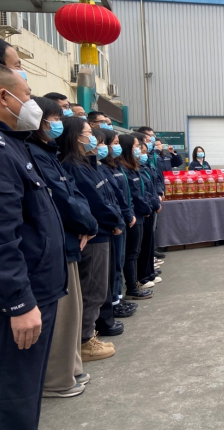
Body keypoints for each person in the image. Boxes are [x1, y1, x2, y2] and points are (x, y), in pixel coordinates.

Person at [0, 67, 67, 429]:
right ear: (4, 97)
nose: (32, 104)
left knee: (27, 390)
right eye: (26, 95)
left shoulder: (15, 144)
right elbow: (3, 234)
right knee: (16, 395)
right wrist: (19, 301)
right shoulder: (3, 152)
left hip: (38, 286)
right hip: (23, 296)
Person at [26, 98, 99, 399]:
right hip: (57, 243)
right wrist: (89, 224)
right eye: (55, 118)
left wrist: (88, 223)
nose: (58, 123)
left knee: (73, 311)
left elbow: (75, 195)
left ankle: (71, 368)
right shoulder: (34, 154)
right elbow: (63, 199)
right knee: (63, 315)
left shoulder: (48, 153)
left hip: (68, 239)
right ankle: (58, 378)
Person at [57, 117, 124, 361]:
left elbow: (107, 197)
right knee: (92, 289)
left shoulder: (88, 164)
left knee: (98, 287)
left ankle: (88, 334)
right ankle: (85, 341)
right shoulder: (73, 166)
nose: (94, 139)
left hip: (102, 230)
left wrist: (116, 220)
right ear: (75, 137)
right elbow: (94, 203)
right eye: (88, 133)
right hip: (94, 235)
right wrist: (111, 221)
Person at [100, 129, 139, 317]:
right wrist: (123, 216)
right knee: (115, 264)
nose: (116, 147)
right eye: (113, 143)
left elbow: (124, 195)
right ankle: (114, 301)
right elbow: (112, 197)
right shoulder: (104, 169)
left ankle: (118, 297)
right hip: (114, 222)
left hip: (123, 219)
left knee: (120, 260)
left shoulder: (115, 167)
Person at [116, 134, 154, 301]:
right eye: (136, 147)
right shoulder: (123, 170)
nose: (138, 150)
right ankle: (132, 287)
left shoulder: (133, 168)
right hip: (133, 216)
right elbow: (133, 195)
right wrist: (144, 209)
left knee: (135, 252)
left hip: (138, 214)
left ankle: (135, 283)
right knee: (131, 253)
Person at [133, 132, 162, 286]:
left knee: (147, 242)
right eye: (140, 149)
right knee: (138, 249)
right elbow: (137, 194)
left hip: (149, 208)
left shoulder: (145, 166)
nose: (143, 154)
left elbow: (153, 184)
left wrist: (156, 200)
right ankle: (140, 278)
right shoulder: (133, 170)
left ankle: (148, 273)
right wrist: (150, 206)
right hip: (140, 212)